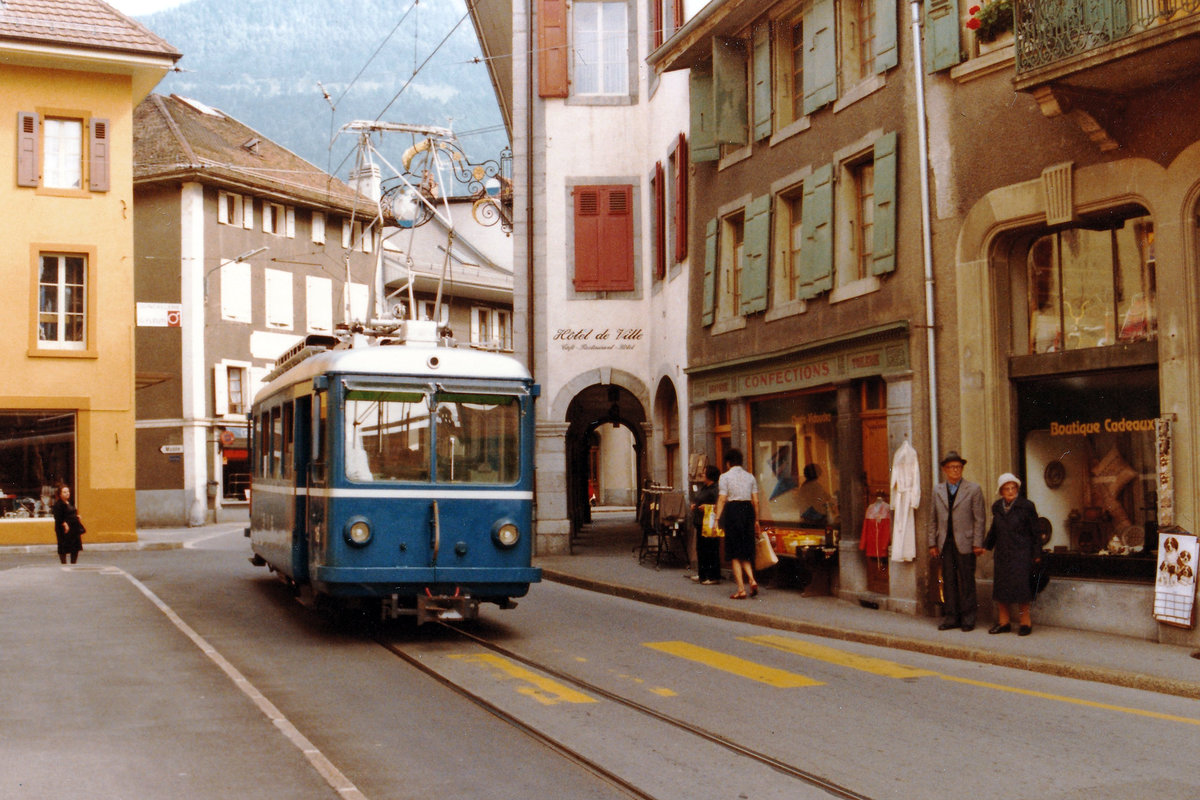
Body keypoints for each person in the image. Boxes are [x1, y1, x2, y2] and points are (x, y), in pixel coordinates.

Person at [927, 451, 986, 631]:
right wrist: (932, 543)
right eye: (951, 467)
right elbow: (932, 519)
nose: (955, 470)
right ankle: (951, 616)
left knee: (967, 580)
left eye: (958, 467)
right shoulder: (937, 490)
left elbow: (980, 519)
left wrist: (977, 542)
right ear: (945, 470)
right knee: (949, 580)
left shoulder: (973, 489)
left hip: (966, 542)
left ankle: (969, 617)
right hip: (945, 542)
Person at [986, 473, 1041, 636]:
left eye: (1013, 488)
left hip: (1021, 553)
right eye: (1006, 489)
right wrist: (985, 546)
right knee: (1001, 590)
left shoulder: (1027, 506)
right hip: (1003, 554)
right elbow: (994, 530)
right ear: (1001, 492)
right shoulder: (997, 507)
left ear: (1017, 489)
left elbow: (1036, 532)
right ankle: (1004, 623)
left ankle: (1025, 624)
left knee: (1022, 590)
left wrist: (1037, 553)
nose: (1010, 491)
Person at [715, 449, 761, 600]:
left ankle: (741, 589)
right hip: (748, 511)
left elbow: (722, 499)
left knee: (734, 552)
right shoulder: (750, 477)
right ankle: (752, 580)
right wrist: (756, 520)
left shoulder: (725, 476)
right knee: (746, 550)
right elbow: (756, 501)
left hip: (733, 511)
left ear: (728, 463)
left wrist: (717, 519)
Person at [690, 465, 723, 585]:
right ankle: (703, 574)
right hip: (700, 522)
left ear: (710, 476)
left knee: (710, 549)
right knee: (701, 549)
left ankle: (713, 576)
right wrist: (695, 504)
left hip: (709, 524)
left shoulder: (715, 489)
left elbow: (719, 505)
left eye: (704, 473)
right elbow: (699, 499)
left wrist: (707, 507)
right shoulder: (704, 487)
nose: (702, 475)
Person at [50, 484, 84, 565]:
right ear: (60, 494)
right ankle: (64, 563)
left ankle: (73, 563)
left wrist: (77, 516)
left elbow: (72, 512)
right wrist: (64, 524)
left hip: (74, 527)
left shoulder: (70, 502)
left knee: (75, 547)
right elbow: (57, 516)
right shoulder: (58, 504)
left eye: (68, 491)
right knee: (63, 546)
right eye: (64, 492)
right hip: (64, 529)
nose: (67, 493)